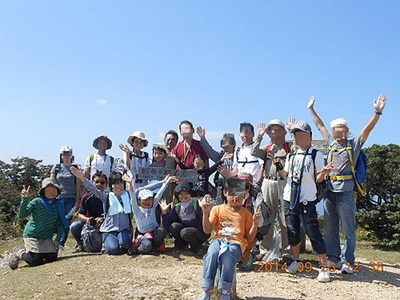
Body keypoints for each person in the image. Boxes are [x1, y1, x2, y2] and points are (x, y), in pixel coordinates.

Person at [308, 94, 387, 274]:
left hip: (346, 192)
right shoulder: (330, 143)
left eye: (341, 127)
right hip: (329, 191)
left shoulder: (354, 144)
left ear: (346, 130)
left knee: (349, 229)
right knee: (329, 229)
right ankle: (333, 259)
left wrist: (377, 112)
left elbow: (367, 130)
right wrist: (311, 109)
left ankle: (348, 261)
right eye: (336, 127)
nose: (338, 130)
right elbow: (319, 125)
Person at [275, 121, 332, 282]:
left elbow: (318, 178)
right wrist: (279, 166)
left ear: (309, 136)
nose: (297, 137)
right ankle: (296, 261)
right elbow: (287, 177)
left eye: (300, 134)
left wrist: (325, 173)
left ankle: (323, 266)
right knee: (292, 231)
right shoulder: (291, 155)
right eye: (295, 134)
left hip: (307, 199)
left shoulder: (316, 155)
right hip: (290, 198)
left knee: (313, 232)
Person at [196, 177, 261, 300]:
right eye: (232, 193)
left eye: (239, 194)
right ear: (225, 193)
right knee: (211, 254)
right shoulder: (217, 209)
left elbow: (250, 237)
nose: (235, 198)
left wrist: (255, 223)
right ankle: (206, 290)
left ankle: (225, 292)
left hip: (236, 243)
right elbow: (207, 230)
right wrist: (205, 212)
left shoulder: (246, 213)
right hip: (218, 240)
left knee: (227, 256)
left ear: (244, 196)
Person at [251, 120, 292, 261]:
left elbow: (300, 147)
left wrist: (292, 130)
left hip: (284, 183)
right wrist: (259, 136)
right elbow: (254, 151)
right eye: (271, 129)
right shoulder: (266, 148)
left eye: (277, 129)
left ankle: (287, 250)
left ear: (284, 132)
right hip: (267, 183)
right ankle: (264, 248)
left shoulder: (289, 147)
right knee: (267, 216)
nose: (274, 131)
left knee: (284, 217)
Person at [71, 167, 136, 255]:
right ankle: (107, 243)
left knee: (125, 243)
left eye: (121, 183)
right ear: (111, 186)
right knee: (112, 250)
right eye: (115, 183)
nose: (118, 186)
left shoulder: (128, 195)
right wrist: (82, 178)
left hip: (124, 229)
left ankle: (121, 243)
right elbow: (93, 189)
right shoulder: (107, 197)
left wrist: (130, 183)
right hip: (109, 230)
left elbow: (137, 193)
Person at [8, 178, 69, 270]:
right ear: (43, 190)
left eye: (54, 187)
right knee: (35, 260)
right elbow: (22, 215)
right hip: (32, 235)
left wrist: (57, 240)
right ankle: (18, 252)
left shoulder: (59, 204)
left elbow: (61, 224)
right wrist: (25, 198)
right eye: (49, 187)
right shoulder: (36, 202)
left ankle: (41, 252)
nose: (52, 189)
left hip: (46, 236)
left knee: (52, 257)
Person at [128, 175, 178, 254]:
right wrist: (130, 184)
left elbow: (159, 194)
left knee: (161, 231)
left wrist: (167, 182)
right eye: (145, 199)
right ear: (139, 201)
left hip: (154, 233)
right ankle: (136, 250)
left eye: (150, 199)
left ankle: (154, 247)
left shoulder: (152, 207)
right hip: (143, 235)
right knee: (147, 245)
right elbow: (132, 197)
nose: (148, 202)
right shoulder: (137, 209)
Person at [160, 182, 210, 254]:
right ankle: (182, 245)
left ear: (190, 194)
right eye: (181, 194)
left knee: (185, 232)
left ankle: (197, 248)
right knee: (174, 226)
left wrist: (203, 209)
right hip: (185, 232)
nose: (184, 196)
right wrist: (164, 213)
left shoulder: (197, 204)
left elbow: (204, 219)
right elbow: (169, 225)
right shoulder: (176, 207)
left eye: (186, 194)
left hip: (199, 232)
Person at [236, 173, 271, 272]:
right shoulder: (232, 198)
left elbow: (261, 224)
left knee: (245, 266)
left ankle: (251, 252)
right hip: (236, 231)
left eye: (245, 185)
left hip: (252, 232)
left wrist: (256, 212)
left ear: (250, 186)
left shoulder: (256, 199)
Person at [50, 146, 80, 250]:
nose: (66, 156)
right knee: (55, 220)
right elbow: (51, 181)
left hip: (70, 198)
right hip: (58, 198)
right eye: (64, 154)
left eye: (68, 154)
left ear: (71, 155)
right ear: (61, 156)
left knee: (66, 221)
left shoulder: (75, 168)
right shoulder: (56, 167)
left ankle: (61, 243)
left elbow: (78, 185)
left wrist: (77, 200)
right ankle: (50, 241)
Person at [69, 172, 107, 252]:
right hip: (90, 222)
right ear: (92, 183)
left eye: (102, 182)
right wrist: (88, 219)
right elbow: (80, 215)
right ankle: (80, 243)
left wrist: (104, 220)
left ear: (106, 184)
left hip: (106, 222)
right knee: (74, 226)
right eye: (96, 182)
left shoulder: (109, 197)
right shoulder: (86, 197)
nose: (99, 184)